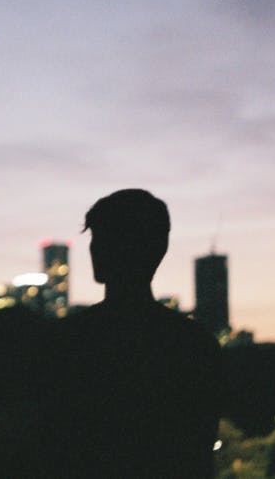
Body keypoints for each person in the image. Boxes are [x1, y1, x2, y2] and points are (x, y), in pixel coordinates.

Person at [43, 189, 220, 478]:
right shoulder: (195, 344)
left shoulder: (68, 340)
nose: (94, 250)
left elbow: (52, 445)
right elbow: (198, 453)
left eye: (102, 238)